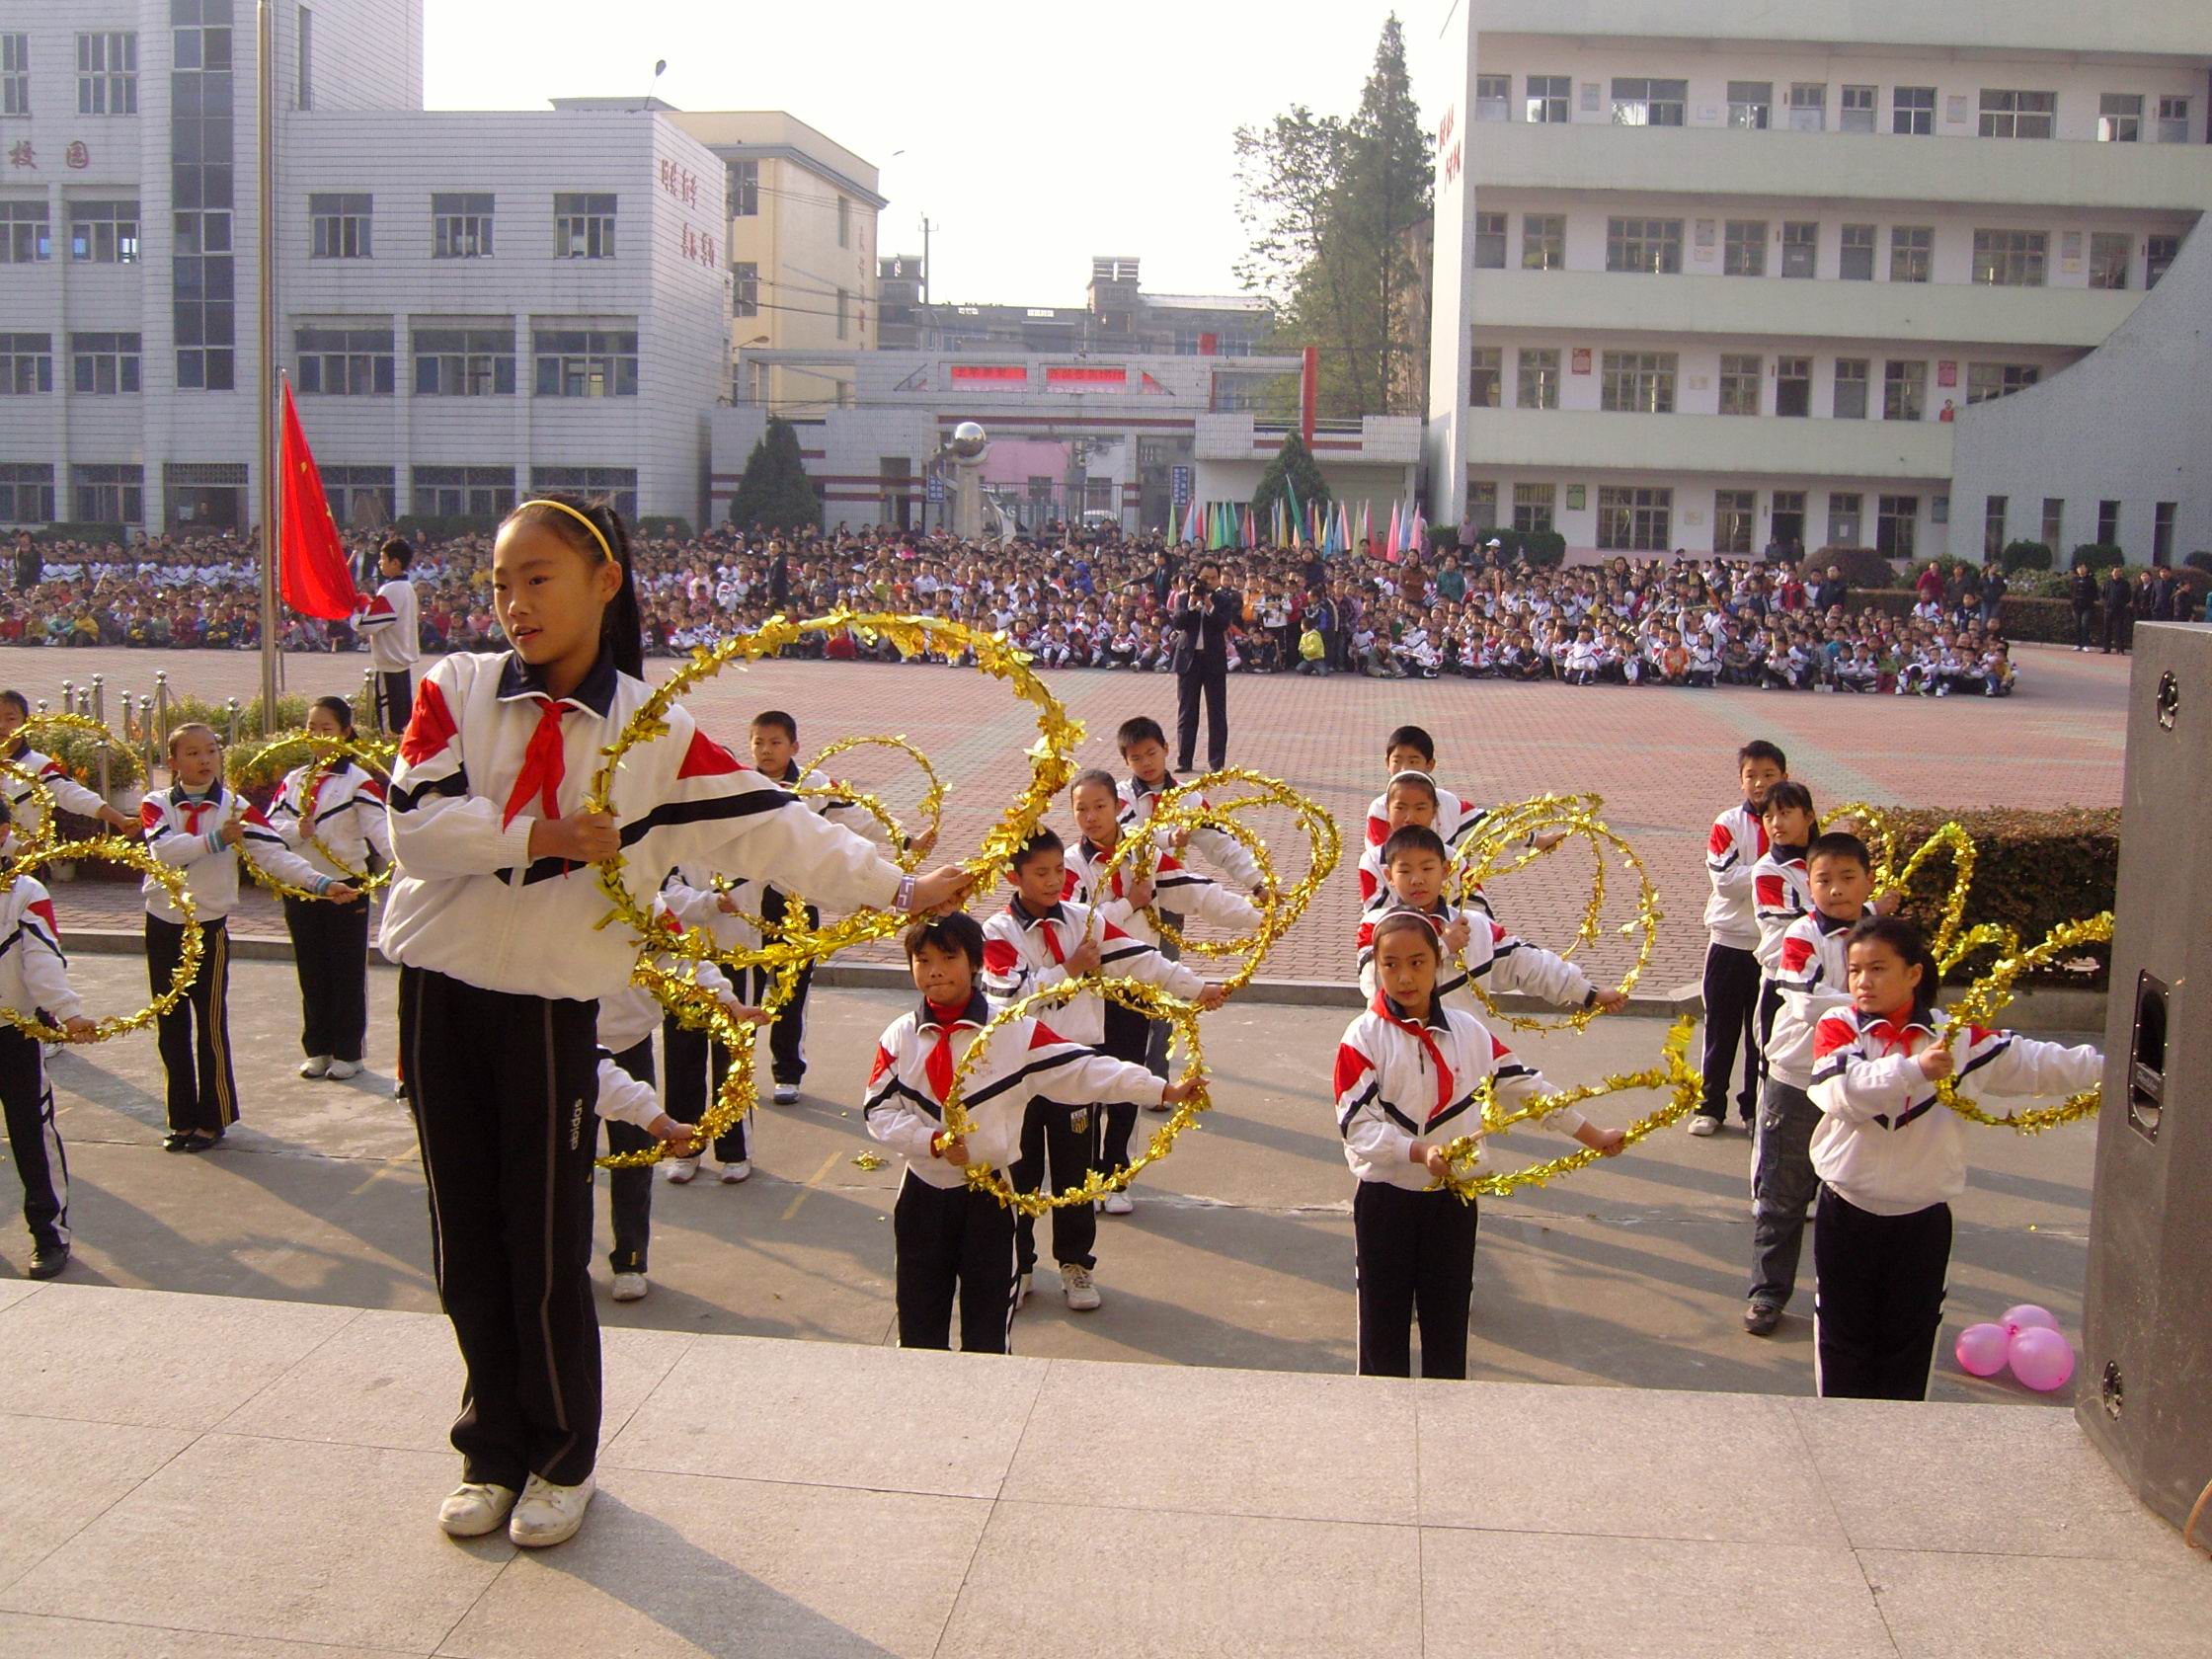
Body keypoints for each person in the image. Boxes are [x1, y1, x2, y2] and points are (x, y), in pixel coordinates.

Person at [378, 494, 973, 1549]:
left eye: (539, 578)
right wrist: (547, 833)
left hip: (554, 1011)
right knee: (464, 1236)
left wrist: (899, 887)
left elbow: (775, 828)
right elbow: (412, 827)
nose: (515, 604)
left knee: (548, 1244)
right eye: (502, 583)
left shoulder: (655, 736)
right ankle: (488, 1449)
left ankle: (561, 1456)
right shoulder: (454, 688)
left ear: (605, 584)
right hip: (440, 993)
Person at [864, 912, 1198, 1353]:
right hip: (923, 1196)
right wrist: (930, 1143)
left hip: (990, 1199)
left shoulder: (1012, 1031)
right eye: (922, 960)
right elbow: (877, 1110)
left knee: (987, 1334)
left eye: (948, 957)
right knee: (919, 1330)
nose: (935, 971)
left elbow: (1084, 1067)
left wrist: (1161, 1088)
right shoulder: (899, 1037)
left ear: (976, 963)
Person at [1808, 916, 2102, 1397]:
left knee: (1911, 1340)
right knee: (1842, 1338)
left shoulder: (1958, 1038)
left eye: (1878, 968)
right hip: (1847, 1211)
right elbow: (1838, 1094)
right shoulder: (1838, 1027)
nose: (1863, 982)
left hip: (1921, 1219)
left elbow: (2036, 1063)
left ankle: (1902, 1448)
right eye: (1855, 970)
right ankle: (1841, 1441)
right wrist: (1913, 1070)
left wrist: (2118, 1070)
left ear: (1915, 974)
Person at [1335, 908, 1624, 1378]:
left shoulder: (1470, 1035)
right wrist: (1417, 1151)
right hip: (1386, 1200)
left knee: (1448, 1324)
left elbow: (1529, 1091)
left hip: (1453, 1199)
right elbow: (1356, 1126)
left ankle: (1449, 1424)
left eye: (1417, 962)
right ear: (1376, 968)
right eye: (1390, 965)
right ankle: (1379, 1428)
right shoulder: (1362, 1039)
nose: (1405, 976)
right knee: (1381, 1328)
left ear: (1438, 963)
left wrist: (1592, 1136)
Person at [981, 828, 1225, 1308]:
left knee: (1075, 1172)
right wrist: (1068, 971)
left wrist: (1196, 988)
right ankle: (1020, 1260)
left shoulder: (1083, 920)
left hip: (1075, 1067)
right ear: (1014, 876)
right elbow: (1005, 1002)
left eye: (1058, 871)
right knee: (1020, 1169)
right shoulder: (997, 932)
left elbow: (1142, 960)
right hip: (1021, 1071)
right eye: (1041, 873)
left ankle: (1075, 1263)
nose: (1054, 882)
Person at [142, 723, 355, 1151]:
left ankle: (213, 1118)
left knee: (211, 1024)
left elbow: (274, 853)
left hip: (208, 926)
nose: (204, 760)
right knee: (170, 1023)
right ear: (173, 762)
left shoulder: (235, 808)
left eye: (211, 751)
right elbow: (162, 851)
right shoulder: (156, 804)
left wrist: (320, 883)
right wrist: (218, 839)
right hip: (164, 923)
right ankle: (180, 1118)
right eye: (192, 753)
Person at [1065, 768, 1255, 1209]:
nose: (1091, 817)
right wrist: (1130, 902)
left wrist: (1257, 918)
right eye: (1081, 809)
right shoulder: (1071, 867)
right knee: (1086, 1086)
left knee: (1130, 1080)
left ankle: (1117, 1177)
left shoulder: (1144, 854)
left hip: (1135, 988)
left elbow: (1196, 893)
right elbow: (1079, 930)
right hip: (1087, 993)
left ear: (1117, 807)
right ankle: (1084, 1176)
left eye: (1099, 807)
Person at [742, 709, 915, 1106]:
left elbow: (855, 817)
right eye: (759, 743)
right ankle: (739, 1074)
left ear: (794, 746)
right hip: (746, 904)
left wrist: (904, 839)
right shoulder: (741, 784)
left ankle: (787, 1072)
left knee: (791, 990)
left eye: (775, 743)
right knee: (744, 990)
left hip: (797, 902)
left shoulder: (814, 785)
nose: (766, 751)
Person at [1747, 830, 1880, 1335]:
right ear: (1808, 882)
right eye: (1824, 879)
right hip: (1798, 1079)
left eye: (1849, 878)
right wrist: (1868, 1004)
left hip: (1856, 1083)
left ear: (1868, 881)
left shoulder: (1883, 937)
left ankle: (1844, 1298)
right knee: (1782, 1196)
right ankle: (1767, 1294)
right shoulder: (1802, 936)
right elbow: (1803, 1002)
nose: (1837, 889)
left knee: (1850, 1195)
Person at [1356, 826, 1627, 1021]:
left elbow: (1528, 963)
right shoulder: (1376, 927)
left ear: (1446, 870)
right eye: (1405, 871)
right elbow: (1374, 981)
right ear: (1390, 876)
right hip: (1392, 1049)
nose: (1416, 879)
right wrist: (1442, 947)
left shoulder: (1476, 927)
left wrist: (1589, 993)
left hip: (1462, 1052)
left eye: (1427, 868)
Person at [0, 797, 97, 1280]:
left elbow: (42, 959)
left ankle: (48, 1235)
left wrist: (68, 1012)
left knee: (31, 1136)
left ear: (2, 834)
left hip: (13, 1034)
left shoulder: (23, 892)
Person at [268, 695, 389, 1080]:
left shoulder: (358, 780)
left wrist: (402, 862)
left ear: (345, 731)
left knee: (346, 969)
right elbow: (269, 829)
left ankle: (348, 1052)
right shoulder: (294, 779)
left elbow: (380, 830)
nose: (319, 737)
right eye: (312, 729)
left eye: (327, 729)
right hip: (302, 885)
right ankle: (317, 1048)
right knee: (311, 968)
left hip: (346, 886)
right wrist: (295, 831)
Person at [1692, 741, 1786, 1136]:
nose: (1760, 783)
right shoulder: (1727, 824)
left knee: (1762, 1036)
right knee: (1721, 1030)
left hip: (1773, 949)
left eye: (1769, 775)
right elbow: (1727, 883)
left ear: (1784, 776)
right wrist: (1777, 866)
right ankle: (1710, 1106)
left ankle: (1753, 1108)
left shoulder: (1796, 824)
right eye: (1752, 776)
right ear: (1741, 779)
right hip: (1730, 942)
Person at [0, 689, 137, 841]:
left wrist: (119, 819)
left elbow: (73, 795)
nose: (2, 726)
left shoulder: (38, 766)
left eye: (10, 718)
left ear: (26, 723)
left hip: (26, 857)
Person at [1169, 561, 1238, 773]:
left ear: (1218, 580)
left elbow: (1222, 624)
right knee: (1187, 711)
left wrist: (1208, 605)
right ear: (1197, 577)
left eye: (1212, 578)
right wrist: (1192, 603)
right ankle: (1184, 760)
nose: (1208, 582)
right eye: (1204, 577)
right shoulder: (1183, 597)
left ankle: (1216, 762)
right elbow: (1178, 623)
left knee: (1217, 713)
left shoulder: (1223, 601)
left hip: (1213, 661)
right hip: (1188, 660)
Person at [355, 535, 421, 735]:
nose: (380, 563)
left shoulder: (391, 589)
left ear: (395, 562)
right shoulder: (407, 587)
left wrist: (355, 613)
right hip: (402, 662)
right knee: (402, 721)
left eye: (383, 558)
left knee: (390, 726)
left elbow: (368, 625)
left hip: (389, 664)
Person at [2100, 566, 2133, 654]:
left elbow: (2128, 596)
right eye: (2114, 572)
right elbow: (2103, 595)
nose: (2116, 573)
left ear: (2121, 573)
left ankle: (2120, 649)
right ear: (2111, 573)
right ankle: (2106, 648)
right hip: (2108, 609)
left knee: (2119, 630)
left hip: (2120, 610)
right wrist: (2106, 603)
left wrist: (2122, 603)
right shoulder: (2107, 583)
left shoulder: (2125, 583)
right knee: (2107, 630)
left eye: (2118, 572)